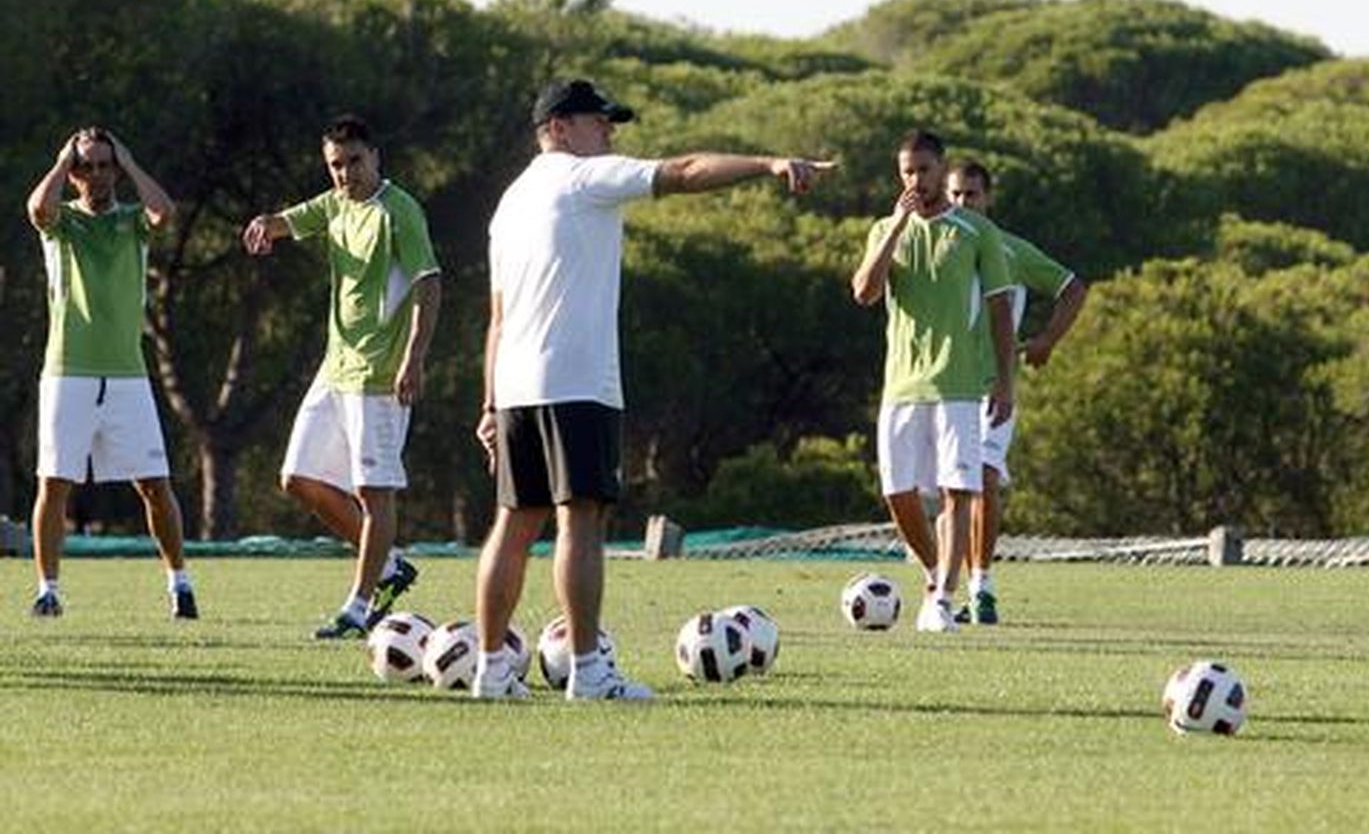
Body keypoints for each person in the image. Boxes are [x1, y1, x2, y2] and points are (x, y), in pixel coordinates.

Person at [472, 78, 832, 700]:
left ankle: (490, 670)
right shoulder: (582, 178)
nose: (610, 133)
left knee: (513, 521)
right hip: (576, 380)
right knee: (578, 520)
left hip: (516, 386)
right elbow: (686, 170)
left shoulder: (509, 203)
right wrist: (769, 163)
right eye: (599, 121)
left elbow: (497, 318)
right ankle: (588, 672)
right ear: (559, 128)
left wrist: (488, 403)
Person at [241, 116, 440, 639]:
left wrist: (414, 357)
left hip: (379, 376)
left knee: (374, 493)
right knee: (298, 478)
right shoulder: (334, 204)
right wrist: (266, 224)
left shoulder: (399, 211)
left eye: (354, 161)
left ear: (375, 156)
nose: (345, 173)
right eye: (335, 165)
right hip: (335, 370)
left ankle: (358, 606)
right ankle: (389, 565)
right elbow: (289, 219)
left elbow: (430, 284)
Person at [24, 127, 198, 619]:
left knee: (154, 483)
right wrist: (62, 162)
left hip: (126, 374)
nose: (97, 175)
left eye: (105, 166)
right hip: (67, 372)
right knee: (54, 484)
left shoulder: (131, 221)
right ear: (75, 173)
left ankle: (180, 584)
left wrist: (128, 157)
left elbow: (164, 212)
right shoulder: (62, 224)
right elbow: (37, 209)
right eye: (88, 167)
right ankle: (48, 590)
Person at [851, 131, 1015, 634]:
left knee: (957, 490)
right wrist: (898, 226)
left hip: (960, 385)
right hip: (901, 385)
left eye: (923, 170)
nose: (914, 180)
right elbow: (864, 292)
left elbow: (1000, 309)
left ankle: (943, 599)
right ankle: (932, 576)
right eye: (906, 171)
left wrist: (1004, 382)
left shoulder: (974, 232)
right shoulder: (885, 228)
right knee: (898, 492)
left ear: (941, 170)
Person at [945, 161, 1088, 624]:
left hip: (993, 389)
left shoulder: (1010, 249)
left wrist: (1048, 340)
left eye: (971, 195)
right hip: (942, 389)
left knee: (983, 476)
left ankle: (982, 589)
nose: (962, 203)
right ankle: (943, 591)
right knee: (950, 493)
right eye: (955, 195)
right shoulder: (937, 246)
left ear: (987, 199)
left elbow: (1072, 288)